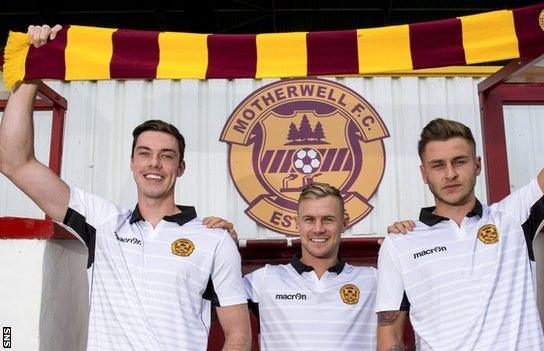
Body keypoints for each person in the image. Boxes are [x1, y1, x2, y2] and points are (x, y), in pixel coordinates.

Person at [376, 3, 544, 350]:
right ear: (423, 174)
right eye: (438, 165)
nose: (450, 174)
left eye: (459, 161)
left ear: (476, 164)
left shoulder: (513, 217)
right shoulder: (399, 243)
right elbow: (389, 339)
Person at [0, 25, 251, 351]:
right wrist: (30, 75)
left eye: (166, 156)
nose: (154, 164)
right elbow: (14, 162)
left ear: (181, 168)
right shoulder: (101, 220)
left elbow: (239, 336)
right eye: (144, 154)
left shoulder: (215, 239)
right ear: (132, 164)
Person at [243, 182, 381, 350]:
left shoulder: (374, 280)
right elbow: (210, 297)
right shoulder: (263, 280)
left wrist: (402, 238)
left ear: (344, 222)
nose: (318, 229)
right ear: (297, 223)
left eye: (328, 219)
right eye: (309, 220)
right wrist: (223, 239)